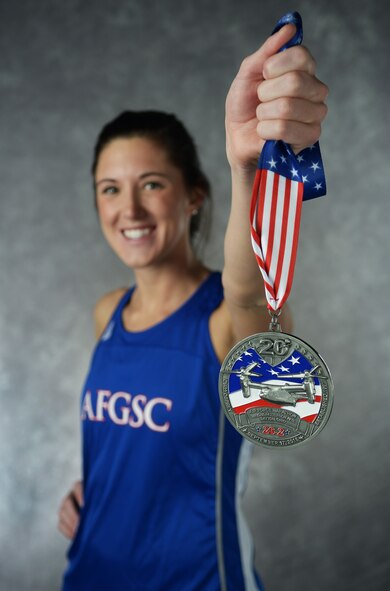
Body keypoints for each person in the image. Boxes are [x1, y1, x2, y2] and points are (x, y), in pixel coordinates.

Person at [58, 21, 328, 591]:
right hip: (92, 577)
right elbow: (134, 454)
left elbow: (251, 293)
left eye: (151, 183)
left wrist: (249, 169)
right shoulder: (108, 314)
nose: (128, 207)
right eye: (109, 188)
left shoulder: (226, 321)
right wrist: (98, 497)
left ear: (194, 195)